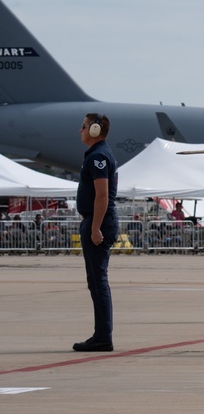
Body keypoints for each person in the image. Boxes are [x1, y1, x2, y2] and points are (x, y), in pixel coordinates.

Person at [72, 113, 120, 352]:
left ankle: (103, 337)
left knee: (98, 281)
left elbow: (102, 195)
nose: (79, 130)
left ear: (94, 130)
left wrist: (95, 228)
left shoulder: (99, 156)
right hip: (96, 221)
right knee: (95, 281)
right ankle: (101, 335)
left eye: (83, 127)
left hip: (99, 222)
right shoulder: (97, 154)